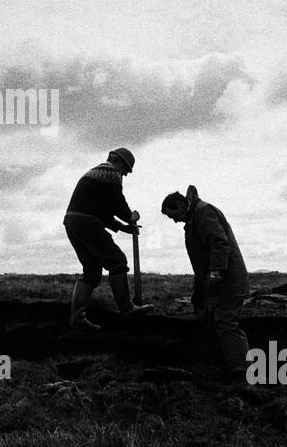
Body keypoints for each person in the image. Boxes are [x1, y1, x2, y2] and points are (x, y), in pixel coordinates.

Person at [161, 185, 250, 383]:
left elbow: (219, 243)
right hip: (217, 282)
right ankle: (219, 367)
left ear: (180, 205)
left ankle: (242, 372)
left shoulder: (203, 213)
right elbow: (201, 261)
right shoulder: (194, 218)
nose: (175, 221)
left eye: (172, 215)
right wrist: (199, 290)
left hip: (228, 281)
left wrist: (217, 274)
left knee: (225, 321)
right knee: (208, 319)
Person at [63, 147, 154, 331]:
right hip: (87, 223)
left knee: (92, 270)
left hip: (73, 222)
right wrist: (131, 217)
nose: (125, 175)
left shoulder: (96, 174)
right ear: (119, 162)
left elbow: (102, 211)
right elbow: (117, 204)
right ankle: (127, 308)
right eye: (126, 171)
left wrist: (122, 228)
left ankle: (77, 318)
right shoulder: (110, 172)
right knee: (117, 261)